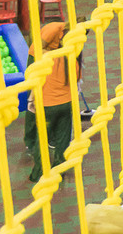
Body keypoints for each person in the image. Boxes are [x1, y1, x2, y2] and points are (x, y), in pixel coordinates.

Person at [24, 19, 83, 182]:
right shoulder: (73, 59)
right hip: (66, 105)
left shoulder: (46, 59)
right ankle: (60, 170)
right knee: (63, 140)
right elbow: (76, 81)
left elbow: (36, 81)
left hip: (47, 106)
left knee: (41, 139)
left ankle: (37, 173)